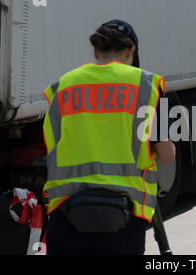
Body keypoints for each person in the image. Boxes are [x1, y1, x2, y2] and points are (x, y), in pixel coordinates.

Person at [42, 19, 175, 255]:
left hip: (66, 214)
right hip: (124, 220)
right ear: (131, 51)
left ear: (96, 49)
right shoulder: (146, 86)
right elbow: (166, 155)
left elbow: (52, 148)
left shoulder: (62, 87)